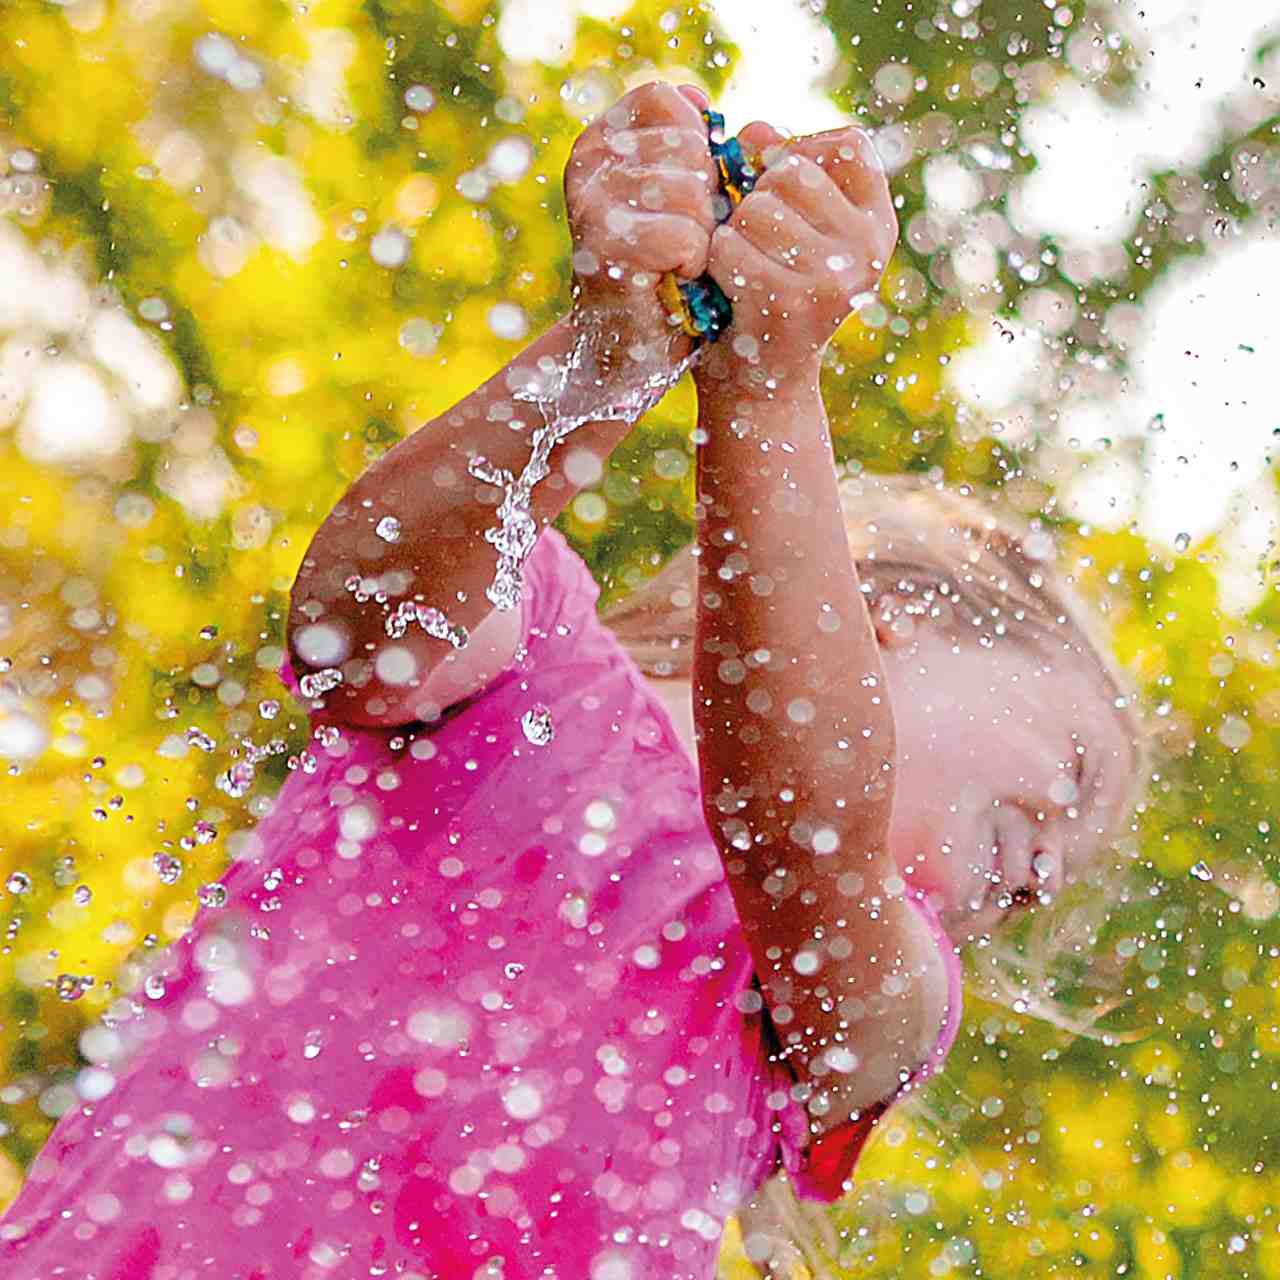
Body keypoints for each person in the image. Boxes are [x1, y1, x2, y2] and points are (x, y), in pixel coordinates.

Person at [0, 80, 1143, 1280]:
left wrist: (765, 387)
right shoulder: (533, 645)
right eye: (1068, 774)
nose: (1048, 871)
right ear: (890, 610)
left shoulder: (886, 992)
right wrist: (614, 348)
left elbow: (797, 841)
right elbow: (356, 622)